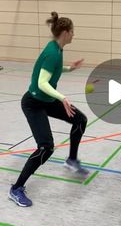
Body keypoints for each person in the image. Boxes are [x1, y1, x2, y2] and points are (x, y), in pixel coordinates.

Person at [9, 12, 89, 207]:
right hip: (33, 103)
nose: (74, 35)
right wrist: (62, 98)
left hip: (44, 100)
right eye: (72, 31)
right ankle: (16, 189)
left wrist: (70, 68)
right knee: (46, 147)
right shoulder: (53, 51)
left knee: (80, 120)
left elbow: (53, 69)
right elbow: (42, 82)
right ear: (65, 32)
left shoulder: (57, 49)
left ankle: (71, 160)